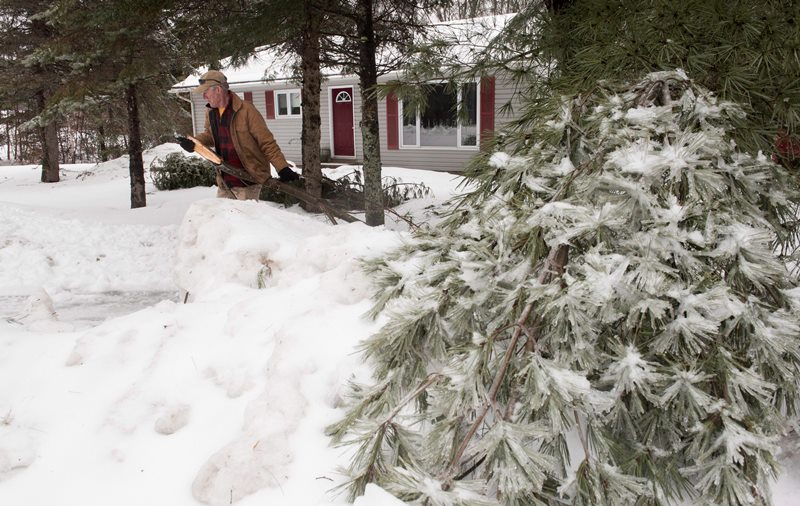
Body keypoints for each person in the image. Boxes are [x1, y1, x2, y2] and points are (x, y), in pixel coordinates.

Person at [176, 70, 299, 200]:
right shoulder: (210, 111)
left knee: (245, 219)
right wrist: (193, 143)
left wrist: (282, 168)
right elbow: (210, 135)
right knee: (219, 218)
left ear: (218, 90)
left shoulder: (246, 110)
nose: (204, 96)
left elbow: (266, 142)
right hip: (225, 180)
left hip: (248, 181)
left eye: (206, 92)